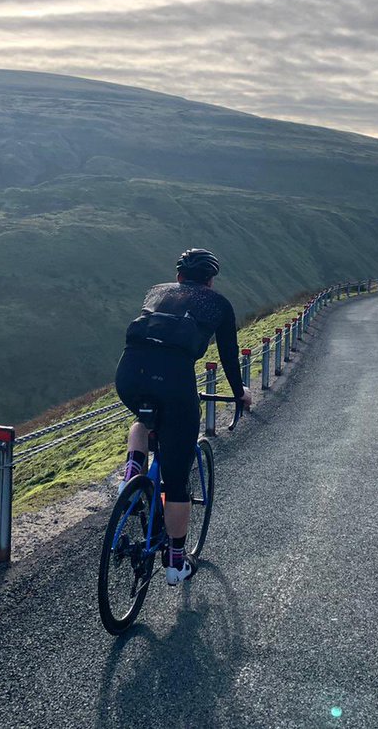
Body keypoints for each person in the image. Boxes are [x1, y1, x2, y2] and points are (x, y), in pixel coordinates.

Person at [114, 248, 253, 585]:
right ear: (210, 281)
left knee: (144, 419)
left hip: (129, 375)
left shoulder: (156, 291)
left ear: (178, 277)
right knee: (176, 482)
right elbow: (229, 355)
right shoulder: (218, 303)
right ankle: (176, 563)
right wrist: (239, 392)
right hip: (174, 383)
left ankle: (131, 477)